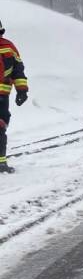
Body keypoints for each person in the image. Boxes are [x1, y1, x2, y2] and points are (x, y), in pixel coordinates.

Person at [0, 18, 29, 174]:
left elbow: (18, 70)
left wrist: (22, 90)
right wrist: (21, 90)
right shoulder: (9, 47)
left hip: (2, 97)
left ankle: (1, 163)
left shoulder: (9, 47)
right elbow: (18, 70)